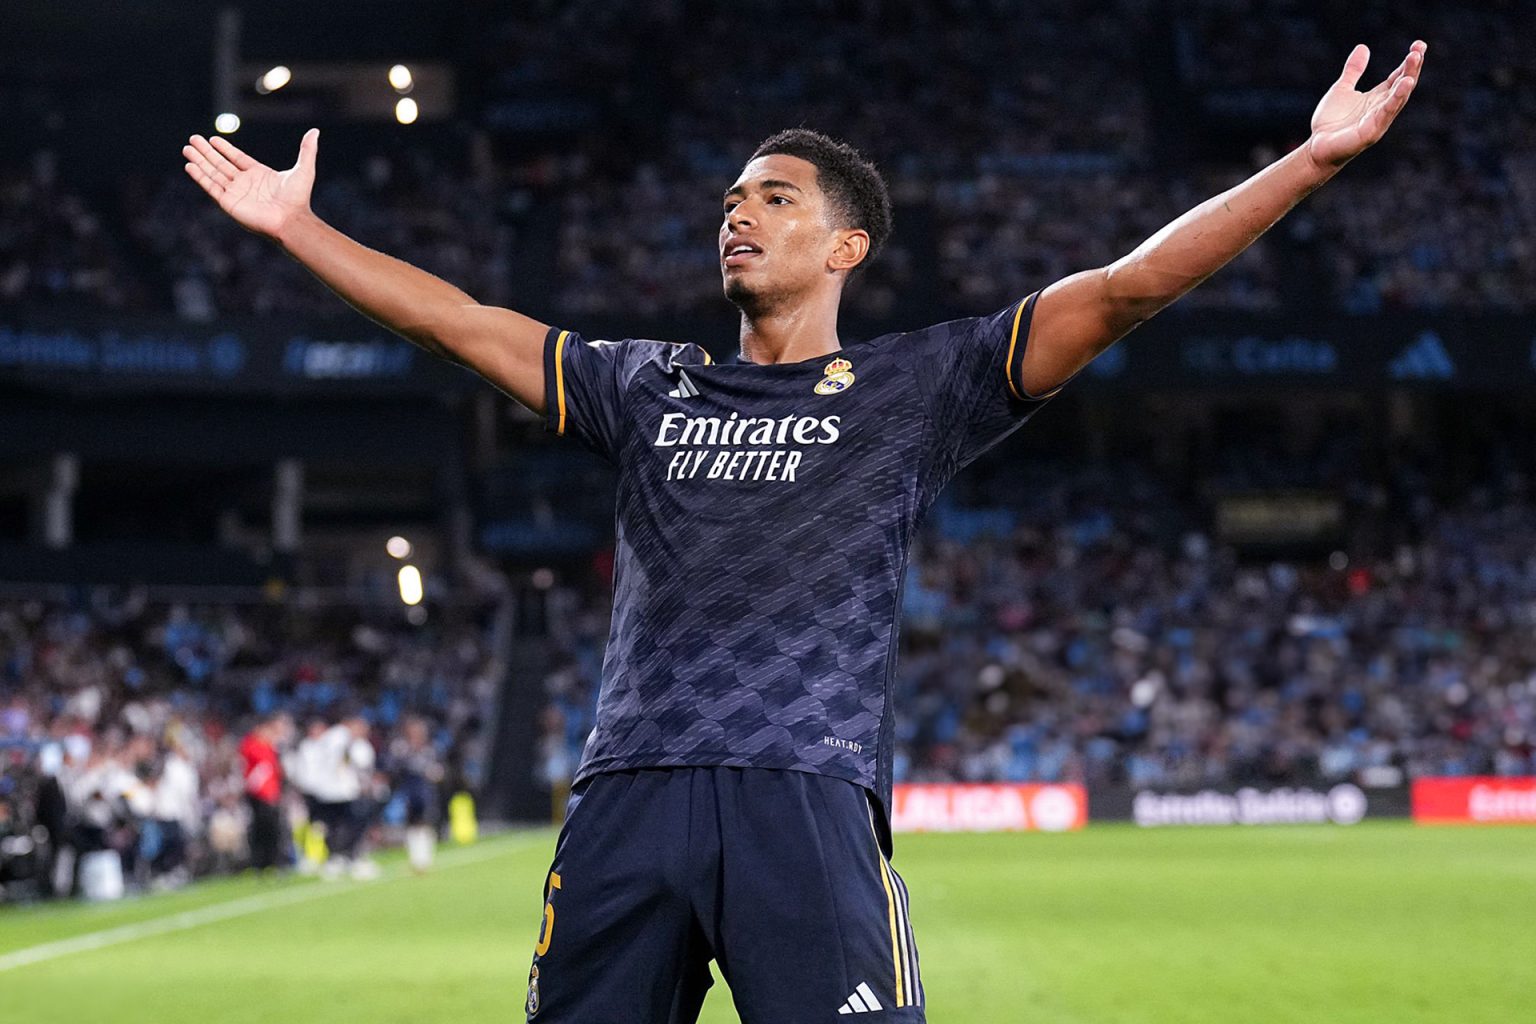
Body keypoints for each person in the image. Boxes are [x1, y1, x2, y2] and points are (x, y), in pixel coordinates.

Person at [182, 39, 1425, 1022]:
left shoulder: (917, 386)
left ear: (846, 245)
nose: (738, 214)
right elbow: (457, 322)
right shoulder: (645, 383)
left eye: (774, 197)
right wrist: (299, 229)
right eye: (731, 199)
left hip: (804, 792)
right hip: (629, 793)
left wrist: (1307, 165)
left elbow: (1124, 291)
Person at [238, 712, 291, 872]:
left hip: (271, 793)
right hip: (259, 795)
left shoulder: (269, 747)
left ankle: (274, 861)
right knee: (262, 829)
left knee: (274, 829)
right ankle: (261, 863)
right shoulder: (252, 745)